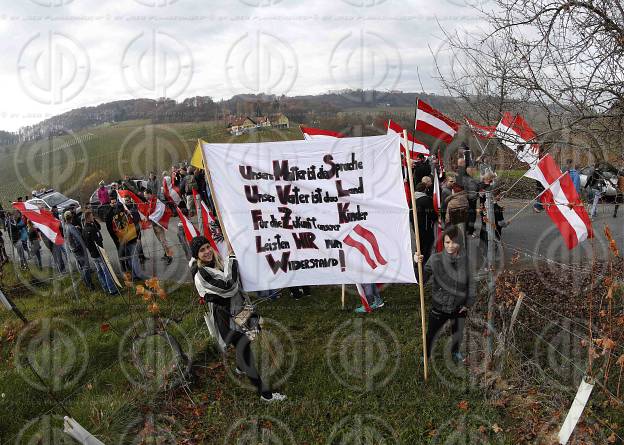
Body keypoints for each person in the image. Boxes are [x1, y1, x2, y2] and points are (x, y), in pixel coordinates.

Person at [189, 236, 286, 402]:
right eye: (202, 250)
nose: (206, 252)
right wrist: (232, 258)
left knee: (248, 340)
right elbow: (229, 287)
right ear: (196, 255)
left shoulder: (216, 263)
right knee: (246, 351)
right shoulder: (201, 274)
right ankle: (265, 394)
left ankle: (240, 367)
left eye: (207, 247)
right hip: (226, 319)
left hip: (239, 310)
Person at [415, 225, 475, 364]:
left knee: (457, 333)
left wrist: (468, 304)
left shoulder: (466, 261)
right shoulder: (435, 259)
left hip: (459, 307)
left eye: (454, 242)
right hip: (439, 306)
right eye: (447, 242)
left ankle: (455, 352)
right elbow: (422, 280)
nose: (451, 246)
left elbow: (471, 284)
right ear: (443, 243)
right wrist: (417, 264)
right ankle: (426, 354)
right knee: (431, 333)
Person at [105, 193, 146, 281]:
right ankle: (132, 274)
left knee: (133, 257)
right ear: (110, 203)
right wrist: (116, 240)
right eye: (112, 203)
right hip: (121, 240)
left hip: (130, 237)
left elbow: (129, 222)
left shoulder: (123, 209)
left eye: (115, 202)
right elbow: (111, 230)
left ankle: (135, 275)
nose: (114, 204)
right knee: (127, 257)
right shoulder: (109, 215)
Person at [82, 210, 118, 295]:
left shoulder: (84, 230)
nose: (93, 217)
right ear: (87, 218)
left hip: (93, 255)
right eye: (91, 216)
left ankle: (105, 287)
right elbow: (98, 240)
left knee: (100, 272)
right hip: (99, 253)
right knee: (106, 271)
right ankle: (112, 290)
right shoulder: (91, 229)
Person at [64, 211, 95, 290]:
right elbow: (79, 238)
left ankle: (86, 283)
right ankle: (89, 285)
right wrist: (85, 246)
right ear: (71, 217)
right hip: (79, 249)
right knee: (85, 267)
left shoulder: (66, 226)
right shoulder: (71, 228)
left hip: (73, 249)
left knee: (81, 266)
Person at [144, 189, 173, 265]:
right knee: (160, 241)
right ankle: (166, 253)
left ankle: (169, 256)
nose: (144, 196)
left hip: (158, 224)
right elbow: (150, 211)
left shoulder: (156, 201)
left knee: (163, 241)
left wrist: (151, 217)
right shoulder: (150, 201)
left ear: (149, 194)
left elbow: (160, 211)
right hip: (154, 224)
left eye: (145, 195)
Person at [414, 182, 436, 264]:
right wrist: (436, 217)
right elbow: (431, 214)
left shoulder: (412, 199)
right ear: (425, 189)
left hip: (416, 226)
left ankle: (418, 261)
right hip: (425, 227)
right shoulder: (426, 200)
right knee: (426, 245)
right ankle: (424, 262)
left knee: (419, 244)